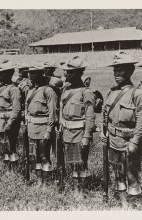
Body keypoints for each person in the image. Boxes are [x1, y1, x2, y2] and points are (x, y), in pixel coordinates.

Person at [101, 51, 142, 204]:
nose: (117, 73)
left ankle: (134, 204)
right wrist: (104, 133)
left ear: (130, 71)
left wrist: (135, 141)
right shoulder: (111, 92)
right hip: (113, 140)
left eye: (121, 70)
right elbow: (105, 116)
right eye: (115, 70)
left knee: (131, 174)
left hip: (129, 141)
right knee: (117, 172)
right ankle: (122, 202)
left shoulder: (137, 94)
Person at [59, 56, 96, 191]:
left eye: (70, 72)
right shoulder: (65, 90)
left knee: (81, 163)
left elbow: (90, 117)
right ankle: (76, 189)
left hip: (80, 134)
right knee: (72, 163)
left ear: (78, 73)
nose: (66, 74)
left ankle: (82, 191)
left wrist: (86, 137)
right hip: (67, 133)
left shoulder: (86, 93)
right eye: (66, 71)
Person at [25, 62, 58, 186]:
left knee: (44, 156)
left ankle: (46, 182)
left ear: (42, 74)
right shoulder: (30, 90)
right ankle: (39, 180)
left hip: (44, 128)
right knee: (35, 156)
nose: (32, 76)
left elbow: (52, 113)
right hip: (32, 127)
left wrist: (49, 130)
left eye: (35, 73)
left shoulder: (48, 91)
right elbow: (27, 108)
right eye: (30, 73)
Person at [0, 61, 21, 171]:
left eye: (1, 73)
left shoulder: (13, 90)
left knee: (11, 146)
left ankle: (13, 171)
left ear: (8, 74)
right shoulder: (1, 88)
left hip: (9, 122)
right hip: (0, 121)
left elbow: (16, 109)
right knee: (3, 146)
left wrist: (10, 123)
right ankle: (6, 169)